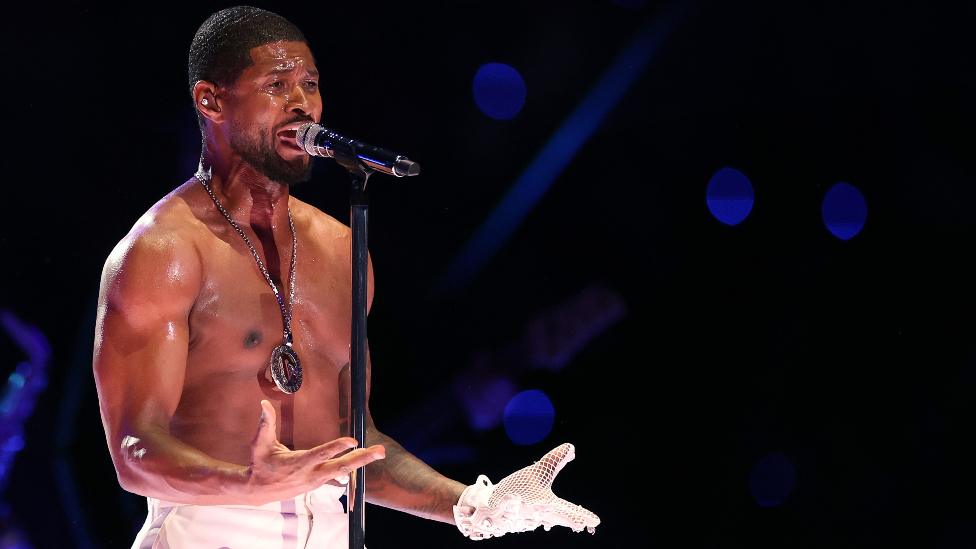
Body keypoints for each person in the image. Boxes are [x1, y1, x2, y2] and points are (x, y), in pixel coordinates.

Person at [92, 6, 600, 548]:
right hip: (210, 531)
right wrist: (246, 482)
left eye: (309, 84)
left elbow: (357, 446)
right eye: (276, 84)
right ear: (211, 101)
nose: (301, 104)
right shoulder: (164, 251)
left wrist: (476, 505)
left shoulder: (341, 249)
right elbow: (134, 454)